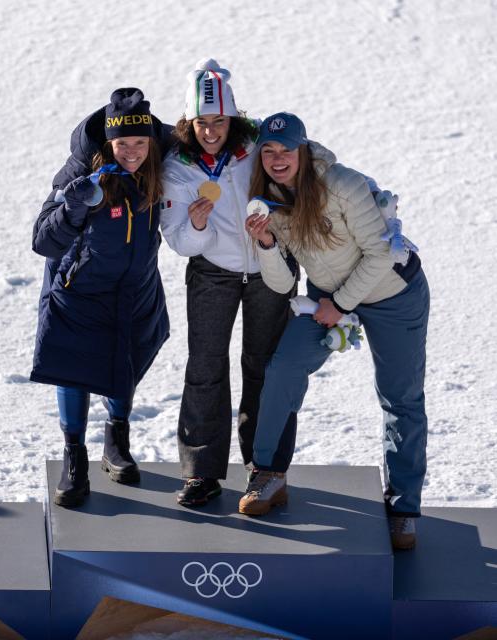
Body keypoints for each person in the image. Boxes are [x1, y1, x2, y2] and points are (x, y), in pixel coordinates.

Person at [240, 112, 429, 551]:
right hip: (324, 297)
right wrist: (267, 244)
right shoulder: (267, 201)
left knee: (400, 397)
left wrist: (340, 305)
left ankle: (403, 509)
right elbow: (283, 284)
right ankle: (268, 473)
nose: (277, 159)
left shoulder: (342, 183)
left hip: (391, 294)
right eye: (268, 151)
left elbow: (382, 253)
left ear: (303, 150)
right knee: (284, 367)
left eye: (286, 150)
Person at [160, 59, 297, 507]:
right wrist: (197, 227)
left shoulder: (257, 143)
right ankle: (201, 472)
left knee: (266, 366)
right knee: (205, 367)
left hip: (269, 267)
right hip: (212, 272)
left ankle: (266, 468)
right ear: (189, 122)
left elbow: (303, 162)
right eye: (202, 122)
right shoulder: (178, 166)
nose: (212, 131)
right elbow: (178, 241)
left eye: (220, 120)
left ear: (233, 119)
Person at [30, 88, 170, 508]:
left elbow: (210, 137)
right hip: (81, 291)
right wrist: (73, 208)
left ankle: (117, 439)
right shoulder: (78, 171)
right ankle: (75, 456)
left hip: (134, 286)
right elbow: (43, 239)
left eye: (140, 143)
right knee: (74, 369)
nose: (132, 152)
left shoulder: (159, 167)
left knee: (125, 359)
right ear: (107, 142)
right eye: (122, 144)